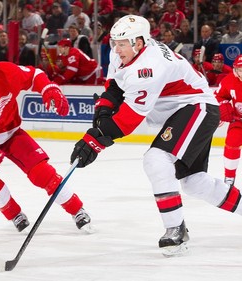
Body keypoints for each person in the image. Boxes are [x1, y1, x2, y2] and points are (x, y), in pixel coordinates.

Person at [70, 15, 242, 257]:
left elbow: (129, 120)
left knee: (156, 159)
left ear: (139, 42)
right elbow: (115, 86)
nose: (116, 49)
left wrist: (94, 141)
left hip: (196, 107)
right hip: (180, 112)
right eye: (114, 43)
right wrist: (103, 111)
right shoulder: (123, 52)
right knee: (195, 183)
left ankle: (175, 229)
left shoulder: (148, 68)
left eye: (122, 44)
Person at [0, 44, 93, 233]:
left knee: (43, 173)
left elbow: (34, 75)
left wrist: (48, 88)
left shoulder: (7, 72)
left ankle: (77, 210)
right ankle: (14, 214)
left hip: (12, 133)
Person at [214, 55, 242, 188]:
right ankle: (229, 178)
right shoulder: (229, 80)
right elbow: (218, 95)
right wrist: (223, 104)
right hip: (238, 123)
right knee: (231, 144)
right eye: (240, 69)